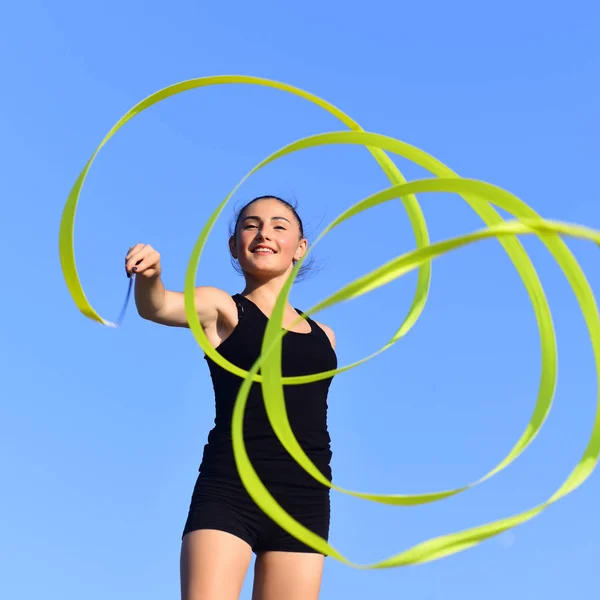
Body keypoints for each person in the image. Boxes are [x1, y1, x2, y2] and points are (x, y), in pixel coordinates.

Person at [125, 195, 337, 600]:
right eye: (250, 225)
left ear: (300, 247)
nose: (263, 234)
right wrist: (150, 275)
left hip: (303, 499)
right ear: (234, 246)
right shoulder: (221, 309)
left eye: (278, 226)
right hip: (230, 489)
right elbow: (158, 306)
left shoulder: (325, 337)